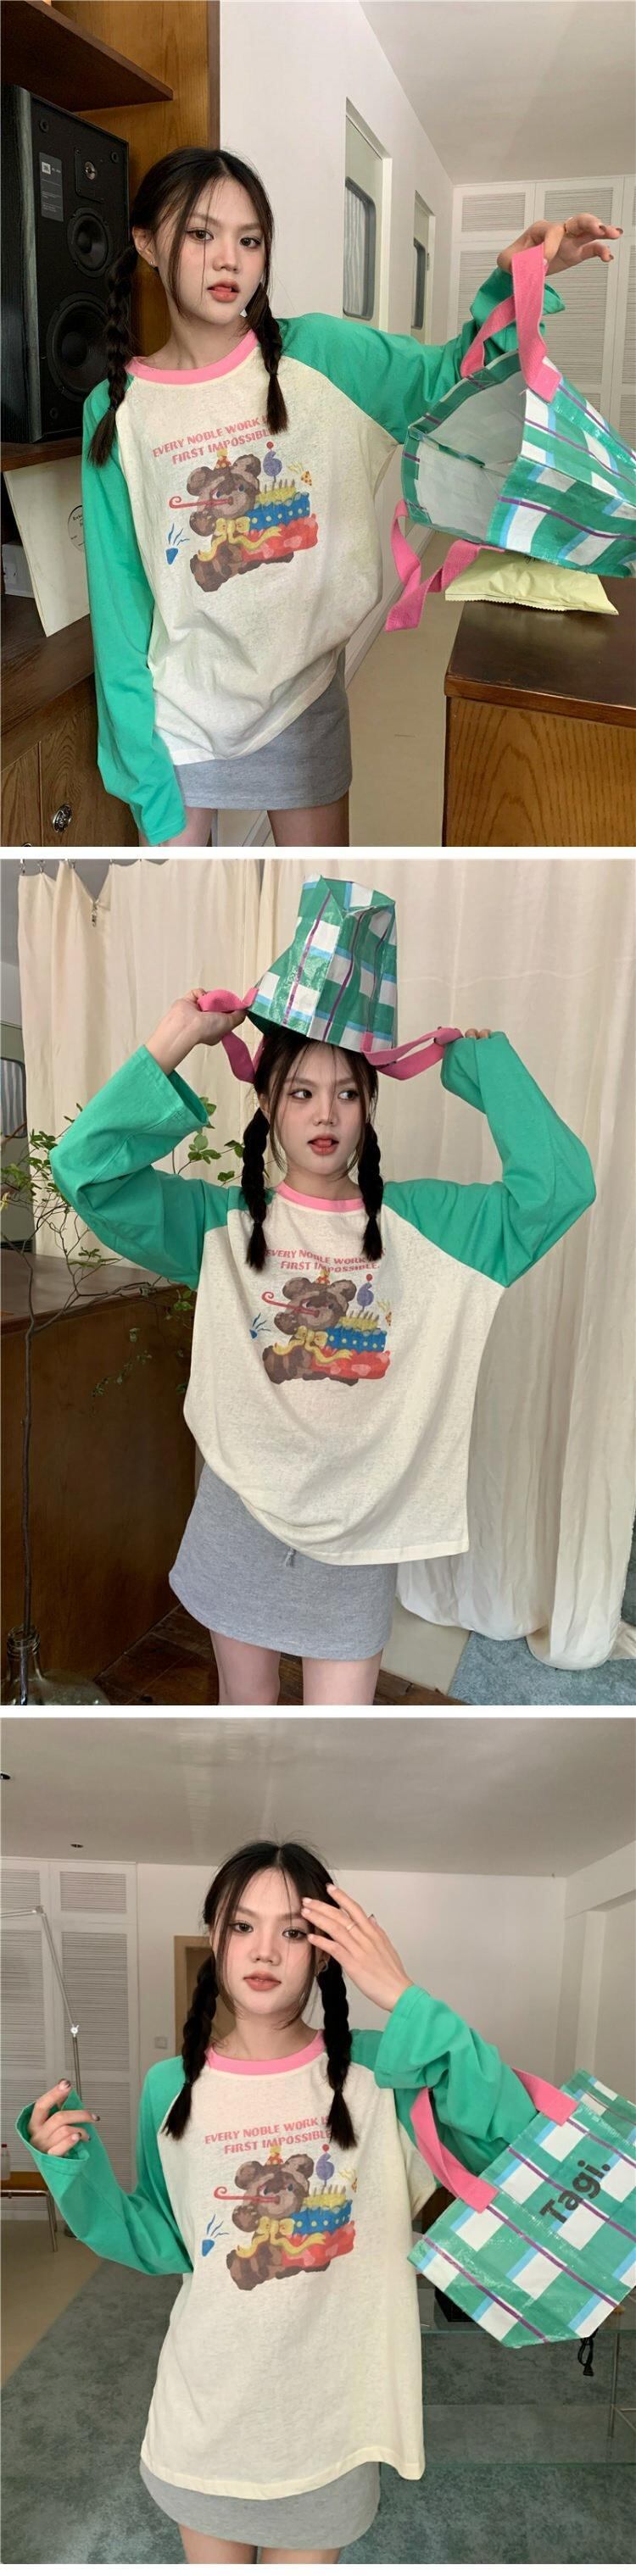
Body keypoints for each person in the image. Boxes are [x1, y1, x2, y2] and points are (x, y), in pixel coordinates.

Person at [49, 875, 595, 1706]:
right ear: (268, 1103)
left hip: (358, 1541)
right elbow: (86, 1172)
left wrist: (486, 1066)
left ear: (370, 1105)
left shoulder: (428, 1228)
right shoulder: (220, 1224)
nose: (325, 1114)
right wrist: (174, 1039)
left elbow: (558, 1190)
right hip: (239, 1523)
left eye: (346, 1092)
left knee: (335, 1747)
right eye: (301, 1091)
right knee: (247, 1724)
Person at [81, 142, 619, 848]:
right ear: (149, 243)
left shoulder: (322, 357)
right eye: (202, 234)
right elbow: (120, 602)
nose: (229, 260)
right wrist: (143, 774)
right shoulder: (116, 408)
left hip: (300, 703)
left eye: (249, 240)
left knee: (326, 908)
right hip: (178, 722)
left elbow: (448, 383)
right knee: (185, 916)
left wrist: (516, 286)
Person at [18, 1840, 536, 2565]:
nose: (265, 1950)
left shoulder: (384, 2073)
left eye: (293, 1930)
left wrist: (406, 1998)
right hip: (204, 2421)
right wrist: (71, 2169)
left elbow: (524, 2140)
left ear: (323, 1951)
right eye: (243, 1925)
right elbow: (163, 2239)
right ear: (215, 1937)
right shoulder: (171, 2086)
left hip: (330, 2432)